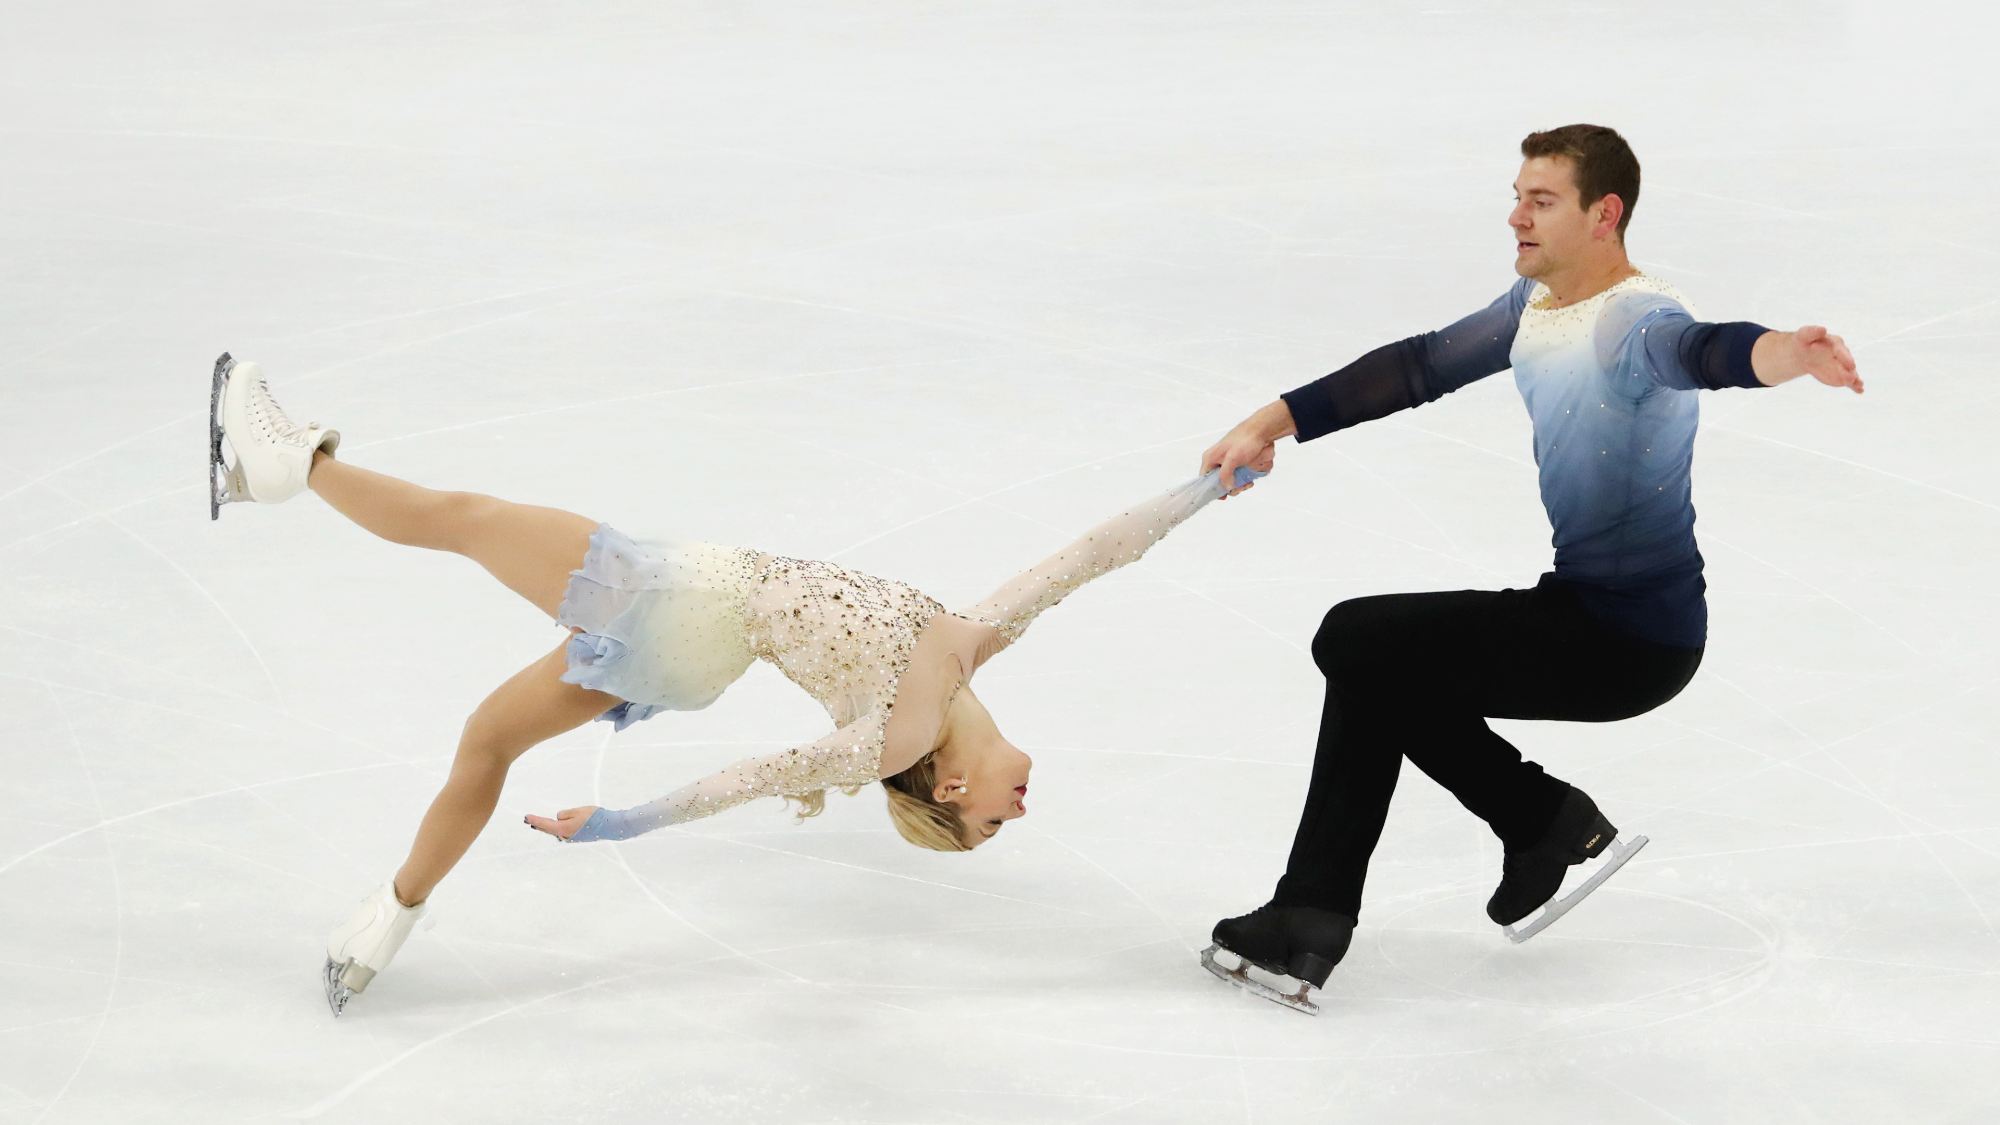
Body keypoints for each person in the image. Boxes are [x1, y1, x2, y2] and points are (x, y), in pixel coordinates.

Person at [203, 352, 1266, 1015]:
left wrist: (619, 822)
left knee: (463, 520)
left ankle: (286, 463)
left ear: (949, 789)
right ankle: (386, 923)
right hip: (690, 644)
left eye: (990, 823)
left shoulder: (895, 738)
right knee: (487, 739)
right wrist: (1204, 489)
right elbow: (1093, 554)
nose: (1016, 813)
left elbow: (753, 778)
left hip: (685, 605)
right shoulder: (973, 647)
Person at [1195, 123, 1864, 1014]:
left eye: (1541, 201)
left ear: (1604, 214)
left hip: (1629, 639)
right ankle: (1418, 871)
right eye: (1518, 197)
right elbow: (1418, 366)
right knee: (1371, 660)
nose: (1516, 217)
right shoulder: (1535, 307)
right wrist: (1269, 422)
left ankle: (1510, 828)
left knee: (1356, 640)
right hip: (1583, 611)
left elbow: (1706, 351)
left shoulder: (1633, 320)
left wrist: (1786, 353)